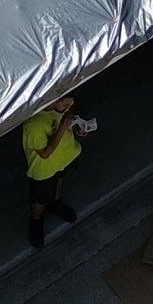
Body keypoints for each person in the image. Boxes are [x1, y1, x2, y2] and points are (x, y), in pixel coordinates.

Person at [22, 95, 92, 249]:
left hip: (64, 156)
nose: (70, 104)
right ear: (50, 99)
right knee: (40, 198)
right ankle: (36, 221)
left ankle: (56, 203)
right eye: (64, 101)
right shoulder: (34, 125)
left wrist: (76, 127)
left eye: (71, 97)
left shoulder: (63, 107)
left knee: (60, 179)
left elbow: (68, 121)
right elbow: (45, 154)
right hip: (44, 169)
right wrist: (62, 128)